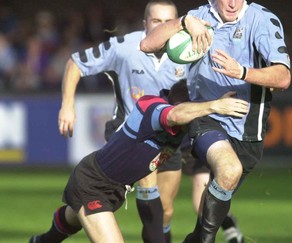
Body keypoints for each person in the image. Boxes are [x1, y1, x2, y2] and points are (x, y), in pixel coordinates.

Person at [140, 0, 291, 242]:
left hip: (247, 126)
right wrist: (183, 21)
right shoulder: (198, 17)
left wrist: (242, 72)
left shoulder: (262, 21)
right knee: (228, 170)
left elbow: (283, 78)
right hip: (205, 116)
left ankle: (196, 239)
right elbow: (147, 44)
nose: (233, 3)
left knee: (226, 184)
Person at [29, 79, 249, 243]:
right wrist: (213, 105)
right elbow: (174, 115)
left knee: (71, 218)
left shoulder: (181, 129)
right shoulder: (152, 106)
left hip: (115, 189)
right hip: (92, 183)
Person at [57, 0, 187, 243]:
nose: (162, 26)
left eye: (169, 21)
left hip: (169, 139)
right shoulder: (124, 47)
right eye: (156, 20)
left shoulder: (190, 52)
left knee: (166, 209)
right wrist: (67, 105)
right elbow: (75, 62)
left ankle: (50, 235)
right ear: (144, 23)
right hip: (130, 135)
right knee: (150, 195)